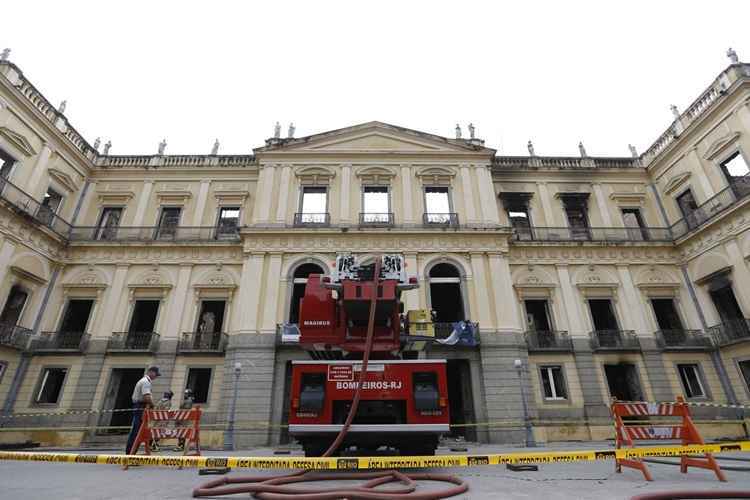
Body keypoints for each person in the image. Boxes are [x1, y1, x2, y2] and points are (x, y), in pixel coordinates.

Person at [125, 366, 161, 455]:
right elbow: (147, 397)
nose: (156, 377)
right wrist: (153, 405)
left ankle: (131, 452)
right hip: (141, 407)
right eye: (156, 375)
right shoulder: (146, 382)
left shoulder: (143, 381)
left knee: (138, 430)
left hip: (139, 406)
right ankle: (130, 453)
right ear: (151, 372)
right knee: (137, 431)